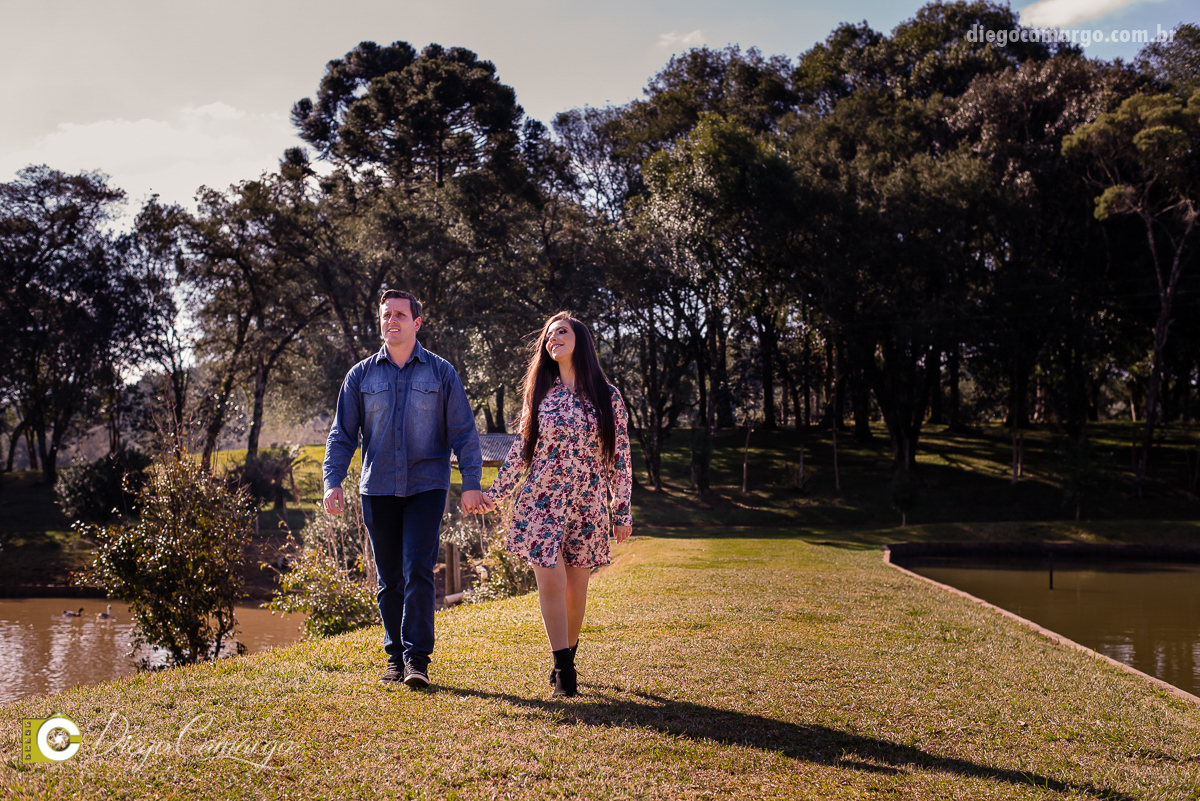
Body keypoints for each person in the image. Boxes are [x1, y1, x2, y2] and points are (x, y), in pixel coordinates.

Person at [323, 289, 486, 690]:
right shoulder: (361, 376)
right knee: (389, 578)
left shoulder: (441, 373)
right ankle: (394, 658)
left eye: (399, 314)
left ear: (417, 322)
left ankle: (417, 659)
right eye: (386, 314)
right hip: (377, 488)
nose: (391, 320)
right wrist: (332, 480)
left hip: (426, 487)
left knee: (417, 568)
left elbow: (464, 433)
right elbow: (342, 435)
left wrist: (471, 483)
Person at [479, 312, 633, 697]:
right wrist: (494, 495)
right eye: (548, 336)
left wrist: (622, 510)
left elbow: (620, 457)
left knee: (576, 590)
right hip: (542, 499)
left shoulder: (608, 396)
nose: (552, 339)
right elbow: (522, 450)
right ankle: (564, 670)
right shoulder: (541, 394)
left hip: (587, 502)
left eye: (561, 332)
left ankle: (568, 656)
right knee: (551, 579)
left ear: (580, 339)